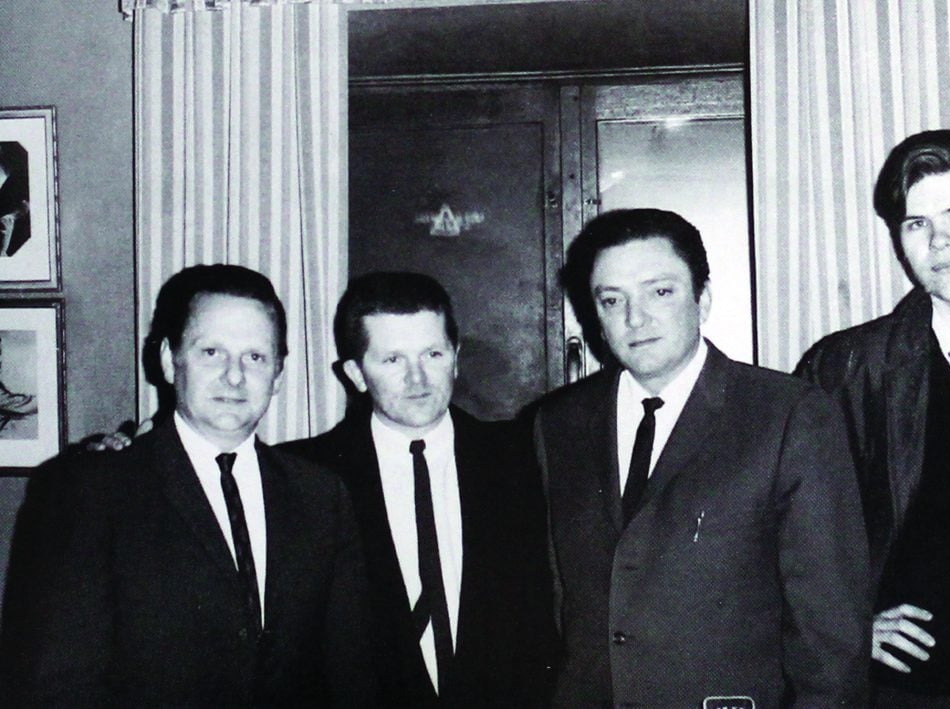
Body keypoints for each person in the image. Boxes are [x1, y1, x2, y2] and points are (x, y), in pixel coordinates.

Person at [535, 208, 870, 707]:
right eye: (612, 300)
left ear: (703, 298)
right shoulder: (557, 423)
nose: (636, 317)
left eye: (660, 292)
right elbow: (562, 599)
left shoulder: (788, 415)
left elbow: (829, 629)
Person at [0, 264, 375, 706]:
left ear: (277, 374)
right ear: (167, 360)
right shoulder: (89, 490)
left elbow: (352, 676)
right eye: (211, 352)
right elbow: (55, 683)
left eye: (254, 357)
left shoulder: (320, 496)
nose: (234, 376)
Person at [797, 129, 950, 708]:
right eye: (917, 223)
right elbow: (791, 528)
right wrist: (849, 625)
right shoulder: (843, 368)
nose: (939, 240)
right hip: (919, 692)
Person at [280, 271, 556, 706]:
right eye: (392, 360)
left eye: (432, 354)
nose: (417, 379)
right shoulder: (302, 475)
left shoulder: (522, 458)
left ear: (455, 357)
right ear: (354, 373)